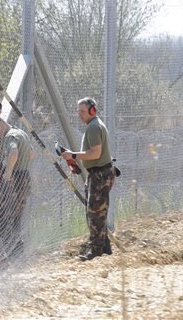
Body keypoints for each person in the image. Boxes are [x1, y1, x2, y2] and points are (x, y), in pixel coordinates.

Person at [60, 97, 116, 261]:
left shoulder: (93, 127)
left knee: (94, 214)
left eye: (83, 111)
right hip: (99, 173)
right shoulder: (94, 125)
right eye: (78, 111)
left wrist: (74, 155)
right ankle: (104, 248)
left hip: (100, 174)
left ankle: (97, 251)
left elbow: (96, 153)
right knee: (98, 212)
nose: (80, 115)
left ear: (92, 110)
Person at [0, 116, 35, 260]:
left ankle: (6, 252)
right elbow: (31, 153)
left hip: (15, 179)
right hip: (24, 177)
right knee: (16, 216)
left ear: (1, 125)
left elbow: (14, 152)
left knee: (2, 214)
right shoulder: (21, 133)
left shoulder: (10, 136)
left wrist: (8, 173)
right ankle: (17, 250)